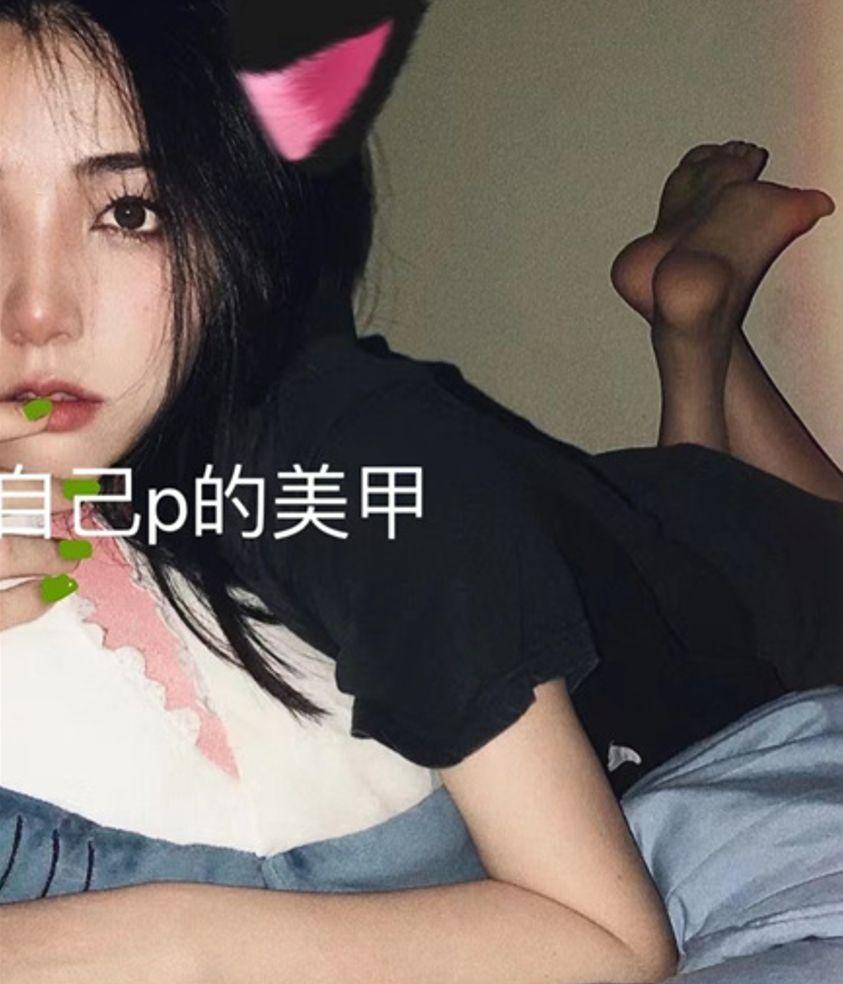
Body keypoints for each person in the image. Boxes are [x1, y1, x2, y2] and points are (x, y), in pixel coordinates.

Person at [0, 3, 840, 984]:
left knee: (745, 538)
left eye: (130, 213)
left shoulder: (350, 455)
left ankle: (695, 328)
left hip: (732, 585)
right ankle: (690, 326)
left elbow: (603, 937)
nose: (40, 309)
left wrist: (131, 940)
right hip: (575, 529)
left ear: (223, 231)